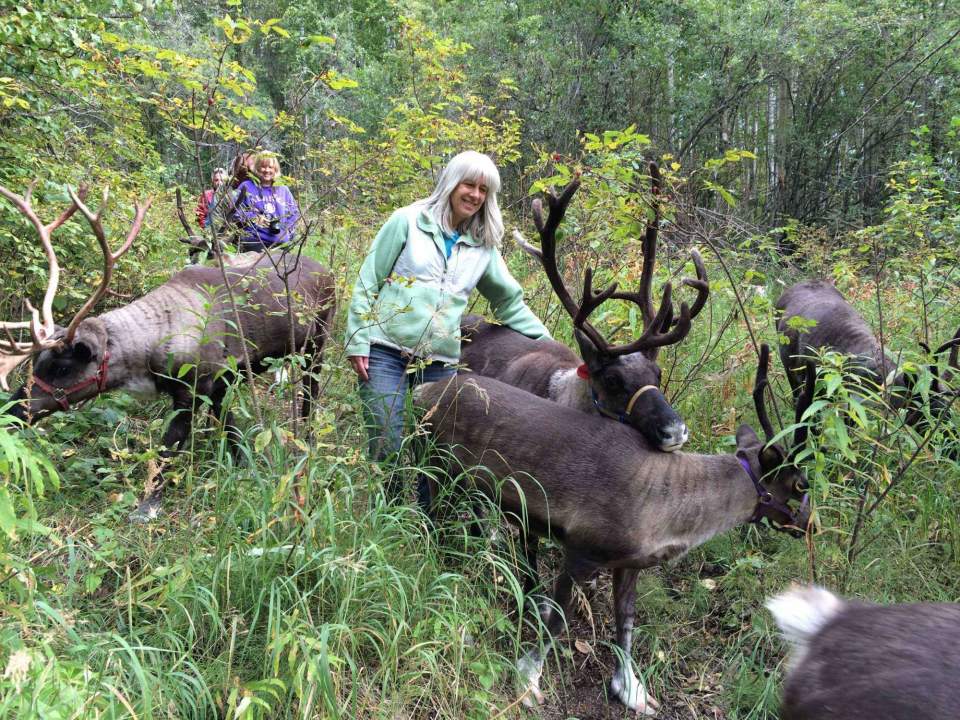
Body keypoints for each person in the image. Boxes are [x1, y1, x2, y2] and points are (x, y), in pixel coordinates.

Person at [344, 150, 550, 505]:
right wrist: (357, 339)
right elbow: (368, 280)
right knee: (386, 439)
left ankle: (430, 526)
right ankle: (388, 519)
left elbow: (509, 303)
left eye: (484, 189)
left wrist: (548, 344)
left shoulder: (482, 247)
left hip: (438, 362)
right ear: (451, 183)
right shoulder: (407, 221)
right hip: (384, 349)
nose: (475, 195)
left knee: (435, 451)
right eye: (469, 184)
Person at [234, 154, 300, 252]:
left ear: (275, 169)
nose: (267, 170)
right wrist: (254, 218)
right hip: (254, 242)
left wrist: (286, 229)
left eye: (270, 167)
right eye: (263, 167)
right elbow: (235, 211)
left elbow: (294, 213)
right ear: (257, 168)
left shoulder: (283, 189)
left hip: (280, 242)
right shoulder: (246, 186)